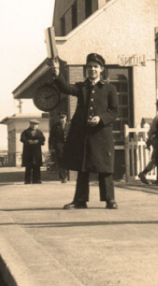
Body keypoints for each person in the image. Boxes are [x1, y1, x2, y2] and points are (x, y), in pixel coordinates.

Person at [51, 53, 119, 209]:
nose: (92, 69)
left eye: (95, 66)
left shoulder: (109, 88)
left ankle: (110, 199)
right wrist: (56, 72)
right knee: (83, 167)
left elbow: (115, 112)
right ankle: (80, 200)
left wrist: (101, 118)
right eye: (89, 67)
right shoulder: (81, 87)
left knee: (105, 167)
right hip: (83, 134)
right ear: (86, 69)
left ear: (101, 69)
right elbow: (65, 87)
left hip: (101, 134)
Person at [138, 113, 158, 184]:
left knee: (156, 160)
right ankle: (144, 173)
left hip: (155, 140)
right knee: (156, 159)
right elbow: (154, 130)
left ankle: (144, 174)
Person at [20, 119, 45, 184]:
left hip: (36, 151)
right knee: (28, 166)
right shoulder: (25, 132)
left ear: (37, 125)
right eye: (32, 124)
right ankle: (27, 180)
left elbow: (43, 139)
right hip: (28, 151)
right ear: (30, 124)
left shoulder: (39, 132)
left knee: (37, 166)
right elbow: (22, 139)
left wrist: (39, 141)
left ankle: (37, 180)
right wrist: (28, 141)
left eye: (35, 125)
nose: (34, 126)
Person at [48, 112, 70, 183]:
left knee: (68, 159)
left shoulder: (70, 125)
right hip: (59, 145)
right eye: (60, 118)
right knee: (60, 160)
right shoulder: (55, 126)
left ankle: (68, 175)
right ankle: (63, 177)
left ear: (66, 118)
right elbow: (51, 137)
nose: (62, 120)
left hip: (68, 145)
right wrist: (51, 147)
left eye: (63, 118)